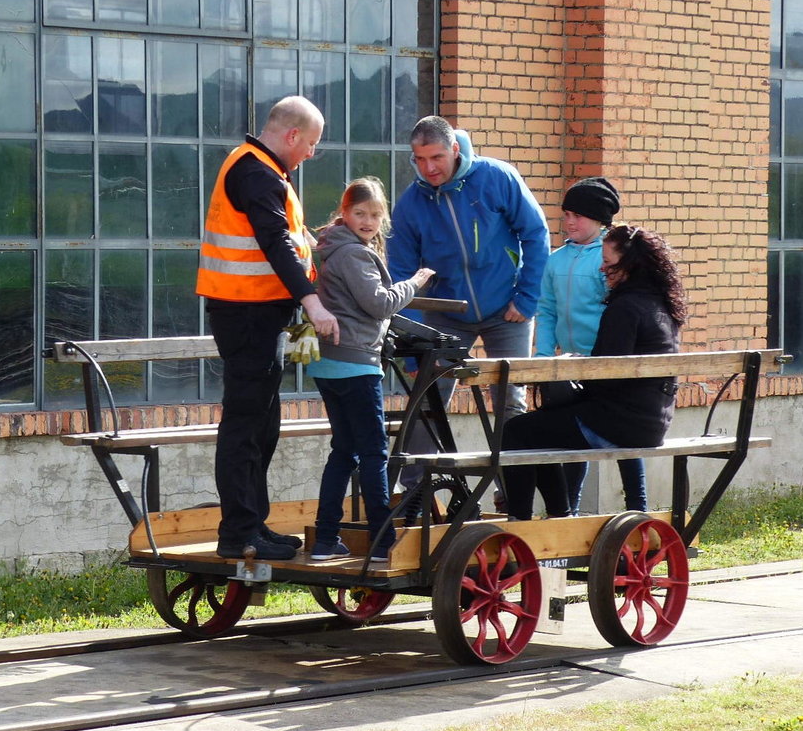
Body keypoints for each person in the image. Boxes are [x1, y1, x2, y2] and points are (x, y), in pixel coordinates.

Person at [195, 95, 340, 561]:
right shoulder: (256, 172)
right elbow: (274, 241)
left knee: (264, 424)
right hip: (246, 315)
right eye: (311, 143)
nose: (311, 153)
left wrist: (317, 240)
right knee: (245, 425)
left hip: (260, 315)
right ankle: (239, 532)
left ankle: (253, 523)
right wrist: (313, 302)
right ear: (292, 135)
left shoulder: (264, 170)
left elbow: (284, 237)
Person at [388, 115, 549, 492]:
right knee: (427, 399)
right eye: (420, 159)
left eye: (437, 157)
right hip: (444, 315)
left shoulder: (497, 177)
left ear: (455, 149)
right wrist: (413, 348)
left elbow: (536, 233)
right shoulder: (411, 203)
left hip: (507, 311)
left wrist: (526, 298)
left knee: (510, 402)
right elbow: (401, 275)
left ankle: (513, 494)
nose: (429, 168)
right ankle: (415, 494)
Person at [502, 224, 687, 522]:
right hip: (653, 420)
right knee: (539, 428)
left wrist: (572, 378)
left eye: (608, 263)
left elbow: (605, 377)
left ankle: (522, 520)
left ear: (630, 264)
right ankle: (559, 518)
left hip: (620, 422)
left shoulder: (625, 308)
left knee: (516, 430)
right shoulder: (662, 304)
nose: (602, 269)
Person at [306, 177, 435, 561]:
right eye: (360, 213)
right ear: (344, 213)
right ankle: (382, 541)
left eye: (375, 215)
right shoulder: (353, 254)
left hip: (330, 363)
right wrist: (415, 283)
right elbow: (379, 303)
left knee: (345, 451)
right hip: (355, 364)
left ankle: (326, 539)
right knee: (374, 452)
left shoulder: (334, 247)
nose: (368, 221)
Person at [535, 177, 648, 513]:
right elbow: (547, 310)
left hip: (608, 363)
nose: (570, 222)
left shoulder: (609, 258)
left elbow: (619, 309)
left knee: (625, 436)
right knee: (573, 438)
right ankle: (568, 512)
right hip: (569, 366)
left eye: (578, 216)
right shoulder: (556, 260)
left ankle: (637, 506)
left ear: (600, 219)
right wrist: (543, 358)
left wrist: (606, 356)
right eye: (566, 214)